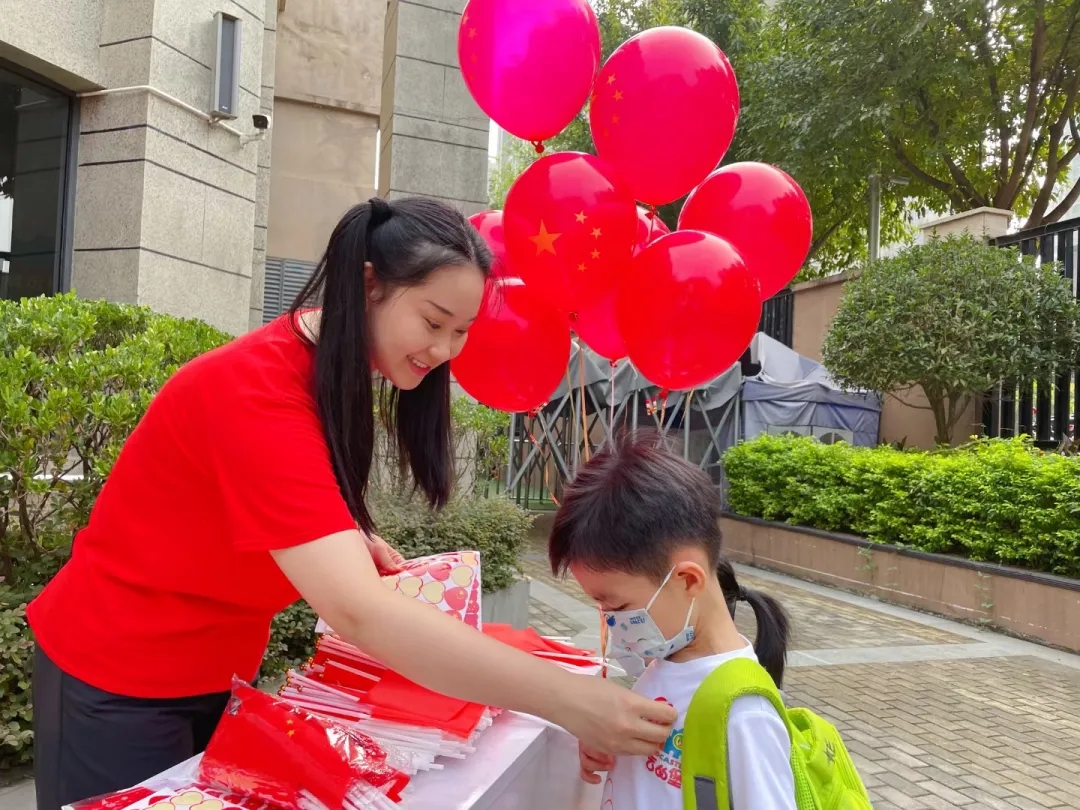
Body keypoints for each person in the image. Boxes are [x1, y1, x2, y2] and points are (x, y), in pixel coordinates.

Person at [27, 197, 676, 810]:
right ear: (370, 285)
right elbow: (356, 611)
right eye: (432, 322)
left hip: (215, 670)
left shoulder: (332, 368)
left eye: (462, 331)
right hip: (115, 676)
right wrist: (568, 701)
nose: (445, 351)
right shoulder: (256, 390)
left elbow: (252, 499)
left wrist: (337, 534)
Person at [547, 434, 796, 810]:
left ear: (687, 580)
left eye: (617, 605)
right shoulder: (664, 664)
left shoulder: (745, 715)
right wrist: (608, 750)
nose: (610, 622)